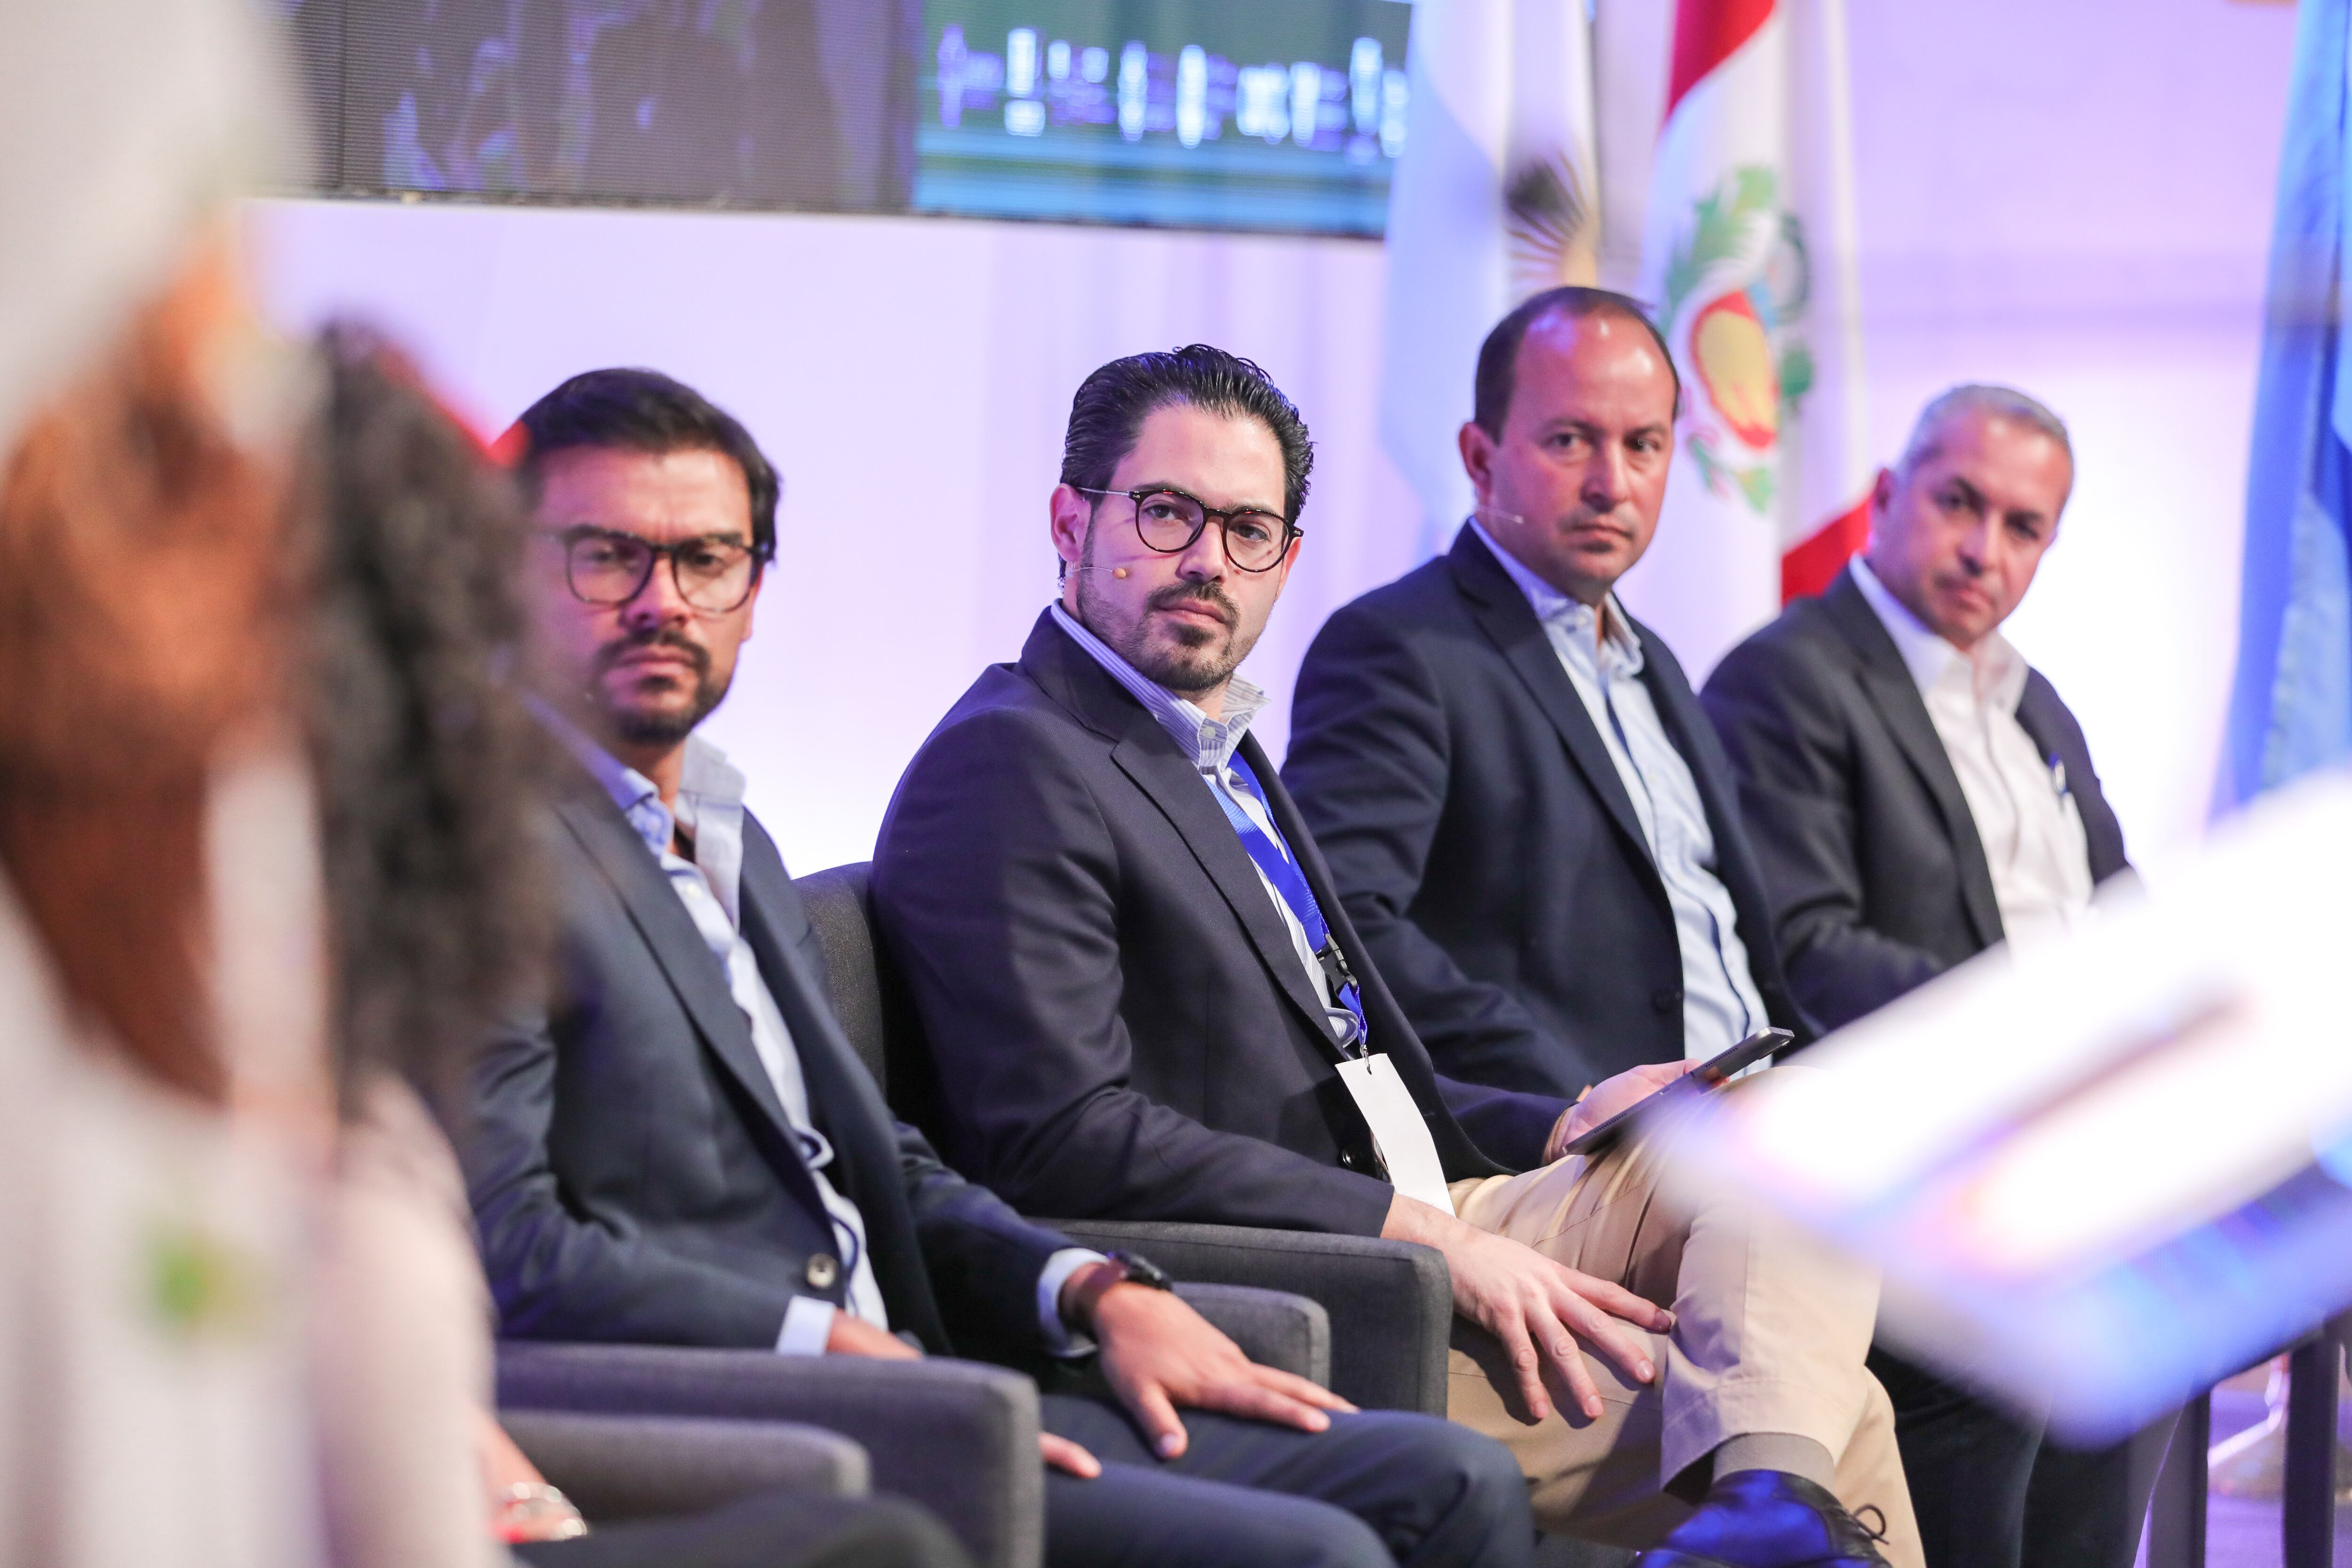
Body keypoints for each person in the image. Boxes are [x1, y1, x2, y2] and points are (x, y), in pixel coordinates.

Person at [459, 365, 1537, 1568]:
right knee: (1324, 1551)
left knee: (1454, 1482)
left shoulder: (731, 833)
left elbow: (876, 1151)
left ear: (753, 593)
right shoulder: (466, 851)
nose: (664, 601)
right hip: (767, 1413)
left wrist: (1084, 1287)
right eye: (607, 556)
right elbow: (515, 1245)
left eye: (707, 560)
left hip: (937, 1360)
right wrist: (825, 1344)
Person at [868, 343, 1924, 1568]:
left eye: (1247, 529)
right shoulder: (1012, 759)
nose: (1207, 559)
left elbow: (1349, 1056)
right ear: (1070, 520)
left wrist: (1559, 1118)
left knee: (1782, 1128)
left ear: (1285, 560)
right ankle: (1764, 1509)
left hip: (1436, 1198)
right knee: (1832, 1417)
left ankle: (1763, 1508)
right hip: (1311, 1272)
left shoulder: (1211, 745)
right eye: (1165, 512)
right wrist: (1422, 1234)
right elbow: (1060, 1135)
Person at [1700, 386, 2166, 1568]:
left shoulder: (2032, 700)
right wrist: (2043, 1023)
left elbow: (2119, 910)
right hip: (1909, 1131)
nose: (1982, 548)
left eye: (2022, 526)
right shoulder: (1788, 676)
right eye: (1960, 502)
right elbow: (1805, 949)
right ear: (1888, 496)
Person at [1283, 287, 1805, 1100]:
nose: (1612, 483)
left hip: (1759, 1119)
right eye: (1570, 440)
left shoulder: (1656, 662)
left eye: (1644, 444)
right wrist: (1586, 1104)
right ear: (1479, 457)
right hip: (1572, 1136)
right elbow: (1344, 923)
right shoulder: (1399, 648)